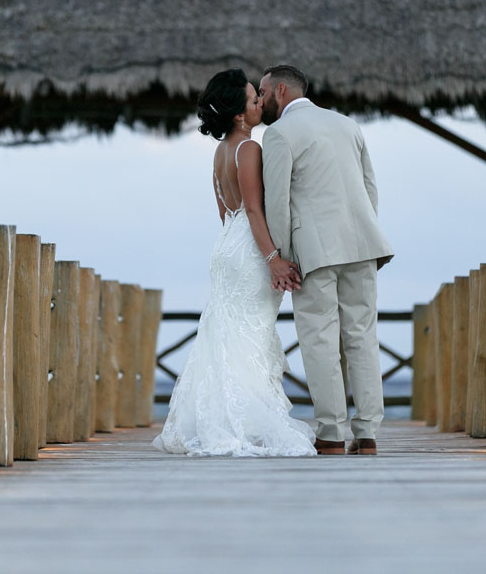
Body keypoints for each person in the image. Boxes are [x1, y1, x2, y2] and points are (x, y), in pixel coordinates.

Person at [152, 68, 315, 457]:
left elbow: (226, 213)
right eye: (253, 99)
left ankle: (222, 417)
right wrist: (274, 259)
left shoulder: (220, 151)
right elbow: (255, 212)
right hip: (250, 249)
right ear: (240, 115)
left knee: (228, 332)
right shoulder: (249, 149)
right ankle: (245, 421)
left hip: (226, 247)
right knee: (251, 335)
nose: (261, 103)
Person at [259, 64, 393, 455]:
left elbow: (278, 202)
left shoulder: (279, 133)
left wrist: (281, 257)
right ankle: (367, 433)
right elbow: (370, 188)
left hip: (314, 251)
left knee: (319, 338)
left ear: (281, 90)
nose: (261, 99)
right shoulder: (348, 125)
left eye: (264, 92)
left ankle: (331, 433)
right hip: (362, 243)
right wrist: (364, 233)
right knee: (362, 336)